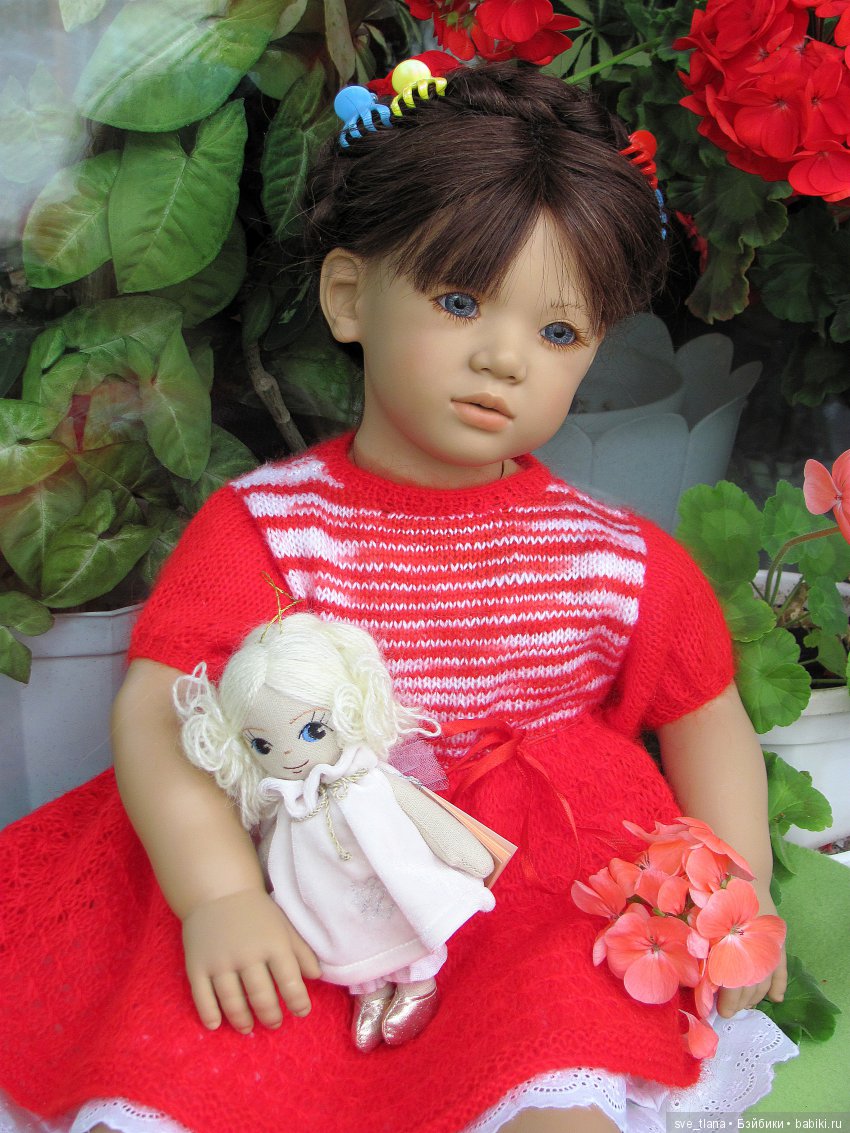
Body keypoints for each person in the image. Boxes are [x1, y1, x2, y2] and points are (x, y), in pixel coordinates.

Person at [0, 61, 796, 1133]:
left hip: (532, 888)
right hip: (301, 873)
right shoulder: (268, 530)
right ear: (348, 297)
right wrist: (218, 892)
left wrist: (738, 887)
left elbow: (705, 712)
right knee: (201, 1060)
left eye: (558, 333)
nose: (504, 357)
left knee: (557, 1057)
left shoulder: (616, 560)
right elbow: (160, 710)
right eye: (459, 302)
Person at [173, 613, 496, 1053]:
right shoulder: (285, 805)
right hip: (331, 893)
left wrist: (470, 857)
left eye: (312, 730)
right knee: (345, 930)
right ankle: (371, 990)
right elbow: (270, 853)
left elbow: (422, 813)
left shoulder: (368, 779)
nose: (289, 754)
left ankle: (417, 985)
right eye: (262, 745)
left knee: (406, 913)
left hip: (390, 876)